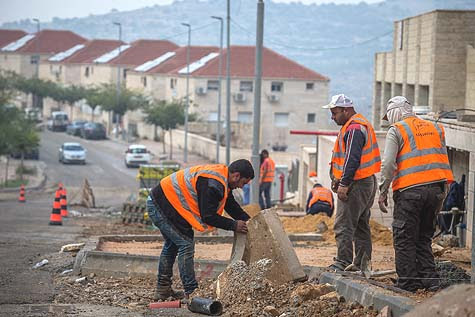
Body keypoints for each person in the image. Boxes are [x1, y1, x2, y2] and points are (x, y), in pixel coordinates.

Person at [147, 159, 254, 300]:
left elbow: (230, 205)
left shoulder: (222, 179)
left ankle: (163, 289)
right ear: (236, 176)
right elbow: (208, 216)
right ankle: (191, 292)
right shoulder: (213, 184)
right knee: (185, 244)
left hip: (164, 202)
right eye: (243, 183)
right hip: (162, 204)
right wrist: (234, 225)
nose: (241, 187)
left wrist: (250, 221)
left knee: (173, 245)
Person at [378, 96, 453, 292]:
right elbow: (442, 157)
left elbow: (387, 164)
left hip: (410, 192)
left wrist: (383, 190)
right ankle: (430, 281)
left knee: (404, 238)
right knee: (423, 237)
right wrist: (444, 189)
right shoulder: (435, 128)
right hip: (436, 190)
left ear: (395, 113)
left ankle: (408, 283)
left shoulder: (398, 130)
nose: (389, 122)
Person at [323, 94, 381, 271]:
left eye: (335, 113)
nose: (332, 117)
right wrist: (338, 178)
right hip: (365, 182)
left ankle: (343, 262)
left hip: (356, 184)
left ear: (346, 110)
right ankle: (362, 264)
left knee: (343, 225)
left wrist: (344, 183)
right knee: (361, 225)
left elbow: (352, 159)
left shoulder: (354, 129)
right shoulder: (357, 125)